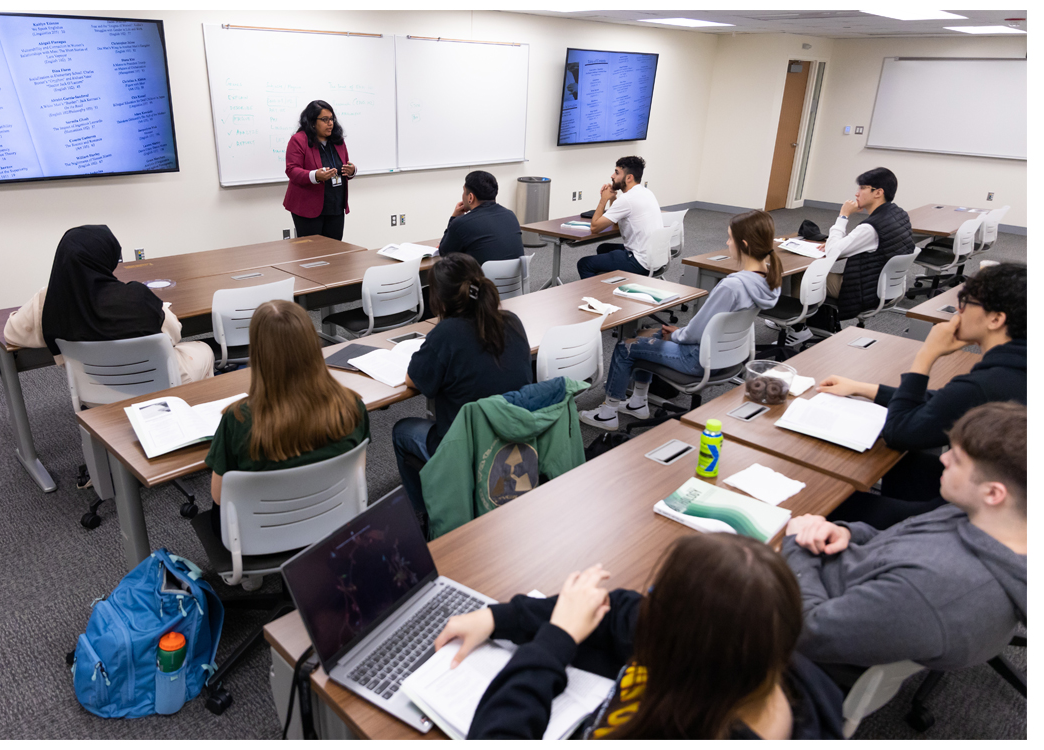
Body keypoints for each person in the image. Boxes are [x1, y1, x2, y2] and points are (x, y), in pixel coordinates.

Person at [435, 535, 844, 739]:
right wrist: (497, 617)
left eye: (656, 599)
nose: (644, 605)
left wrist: (554, 640)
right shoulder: (751, 654)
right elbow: (621, 611)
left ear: (675, 641)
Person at [782, 402, 1026, 681]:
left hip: (798, 626)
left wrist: (798, 551)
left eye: (957, 459)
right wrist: (850, 534)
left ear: (993, 493)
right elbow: (899, 540)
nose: (943, 460)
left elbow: (807, 631)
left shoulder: (931, 589)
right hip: (837, 583)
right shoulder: (991, 520)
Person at [818, 263, 1026, 507]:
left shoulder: (985, 385)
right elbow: (945, 403)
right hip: (1013, 493)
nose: (958, 310)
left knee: (834, 503)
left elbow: (899, 432)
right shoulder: (1015, 366)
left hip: (980, 516)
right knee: (907, 462)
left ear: (996, 319)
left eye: (966, 302)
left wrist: (927, 354)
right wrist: (863, 388)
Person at [204, 300, 369, 590]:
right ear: (312, 343)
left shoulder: (238, 419)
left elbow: (219, 497)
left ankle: (254, 576)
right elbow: (358, 470)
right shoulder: (352, 405)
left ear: (258, 353)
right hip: (334, 522)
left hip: (256, 537)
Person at [580, 209, 780, 431]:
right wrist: (676, 332)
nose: (727, 242)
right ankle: (637, 403)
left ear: (744, 244)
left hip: (697, 359)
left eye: (730, 238)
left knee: (626, 347)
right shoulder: (769, 281)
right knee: (646, 333)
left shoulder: (733, 286)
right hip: (730, 356)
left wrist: (676, 334)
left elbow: (696, 332)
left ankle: (608, 414)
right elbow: (711, 326)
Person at [392, 253, 532, 523]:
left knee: (401, 431)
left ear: (438, 298)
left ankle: (426, 514)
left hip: (468, 447)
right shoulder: (512, 321)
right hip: (515, 437)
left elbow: (414, 380)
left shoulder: (446, 334)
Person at [4, 225, 214, 385]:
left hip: (94, 389)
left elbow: (12, 335)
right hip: (158, 382)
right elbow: (174, 334)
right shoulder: (136, 296)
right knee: (203, 349)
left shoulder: (47, 300)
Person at [818, 166, 915, 319]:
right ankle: (820, 323)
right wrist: (840, 242)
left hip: (863, 291)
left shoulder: (870, 228)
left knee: (803, 278)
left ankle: (798, 328)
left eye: (863, 188)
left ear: (878, 192)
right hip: (884, 286)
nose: (856, 193)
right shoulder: (898, 213)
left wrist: (843, 215)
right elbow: (871, 241)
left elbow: (832, 253)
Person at [576, 156, 663, 280]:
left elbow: (595, 227)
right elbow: (617, 222)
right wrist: (612, 198)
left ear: (629, 178)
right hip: (656, 257)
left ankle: (599, 296)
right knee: (603, 248)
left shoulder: (627, 199)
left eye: (617, 172)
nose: (612, 176)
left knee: (584, 264)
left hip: (641, 262)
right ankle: (611, 285)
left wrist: (603, 200)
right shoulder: (646, 192)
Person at [282, 99, 356, 241]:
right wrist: (315, 176)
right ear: (312, 122)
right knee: (312, 254)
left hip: (335, 205)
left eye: (332, 119)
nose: (330, 123)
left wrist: (352, 171)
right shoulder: (298, 140)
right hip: (308, 207)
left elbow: (345, 165)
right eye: (324, 119)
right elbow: (291, 170)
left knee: (335, 251)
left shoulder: (338, 141)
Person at [438, 170, 525, 266]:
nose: (462, 196)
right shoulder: (510, 215)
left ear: (470, 197)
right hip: (514, 279)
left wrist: (454, 217)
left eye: (464, 191)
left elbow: (444, 253)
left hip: (480, 280)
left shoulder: (462, 223)